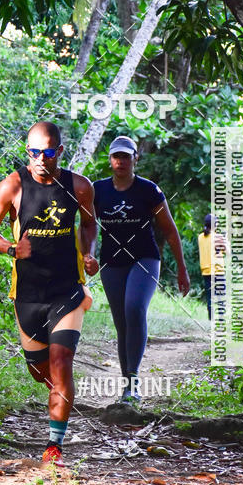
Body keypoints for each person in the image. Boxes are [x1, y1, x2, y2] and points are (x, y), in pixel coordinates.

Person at [0, 121, 99, 467]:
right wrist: (11, 249)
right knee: (40, 372)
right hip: (27, 294)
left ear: (59, 151)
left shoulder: (79, 186)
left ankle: (54, 448)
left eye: (47, 152)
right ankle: (57, 394)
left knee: (62, 366)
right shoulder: (13, 186)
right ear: (26, 151)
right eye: (33, 152)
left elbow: (89, 223)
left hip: (67, 290)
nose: (40, 159)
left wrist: (88, 253)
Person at [93, 136, 190, 403]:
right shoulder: (98, 190)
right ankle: (127, 384)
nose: (121, 161)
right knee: (122, 322)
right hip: (111, 262)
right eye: (116, 156)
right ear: (110, 159)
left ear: (136, 158)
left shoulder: (149, 190)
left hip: (145, 259)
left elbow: (170, 231)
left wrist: (182, 269)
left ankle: (133, 381)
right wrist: (87, 255)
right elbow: (88, 227)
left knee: (134, 307)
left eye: (126, 156)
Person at [198, 213, 227, 320]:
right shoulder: (219, 237)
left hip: (206, 271)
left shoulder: (200, 237)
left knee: (210, 298)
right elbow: (228, 252)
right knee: (220, 297)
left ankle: (211, 320)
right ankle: (221, 320)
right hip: (218, 271)